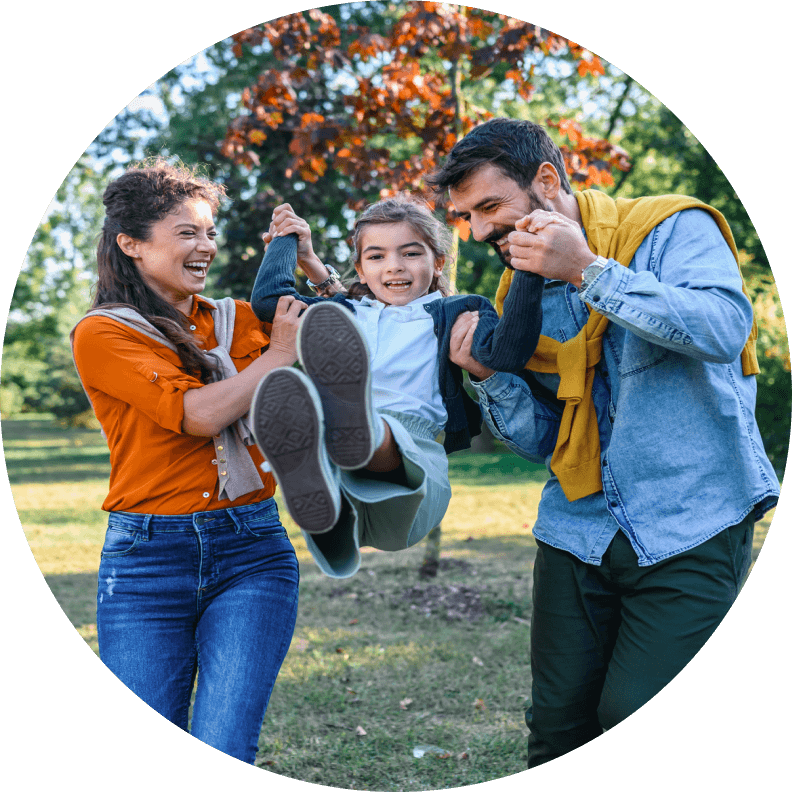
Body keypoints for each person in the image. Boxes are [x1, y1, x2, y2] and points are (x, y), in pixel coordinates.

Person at [426, 117, 781, 767]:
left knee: (632, 707)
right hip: (577, 530)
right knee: (556, 727)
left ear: (547, 180)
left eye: (489, 207)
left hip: (691, 521)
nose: (477, 232)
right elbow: (545, 440)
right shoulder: (518, 293)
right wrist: (490, 378)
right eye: (465, 217)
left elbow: (724, 328)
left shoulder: (670, 228)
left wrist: (588, 271)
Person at [70, 159, 305, 764]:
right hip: (147, 562)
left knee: (226, 741)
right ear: (131, 243)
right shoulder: (102, 334)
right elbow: (197, 413)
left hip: (252, 550)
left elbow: (344, 329)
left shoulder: (236, 320)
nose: (206, 246)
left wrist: (307, 262)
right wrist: (277, 356)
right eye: (187, 233)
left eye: (210, 232)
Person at [247, 195, 544, 578]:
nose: (394, 266)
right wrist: (286, 239)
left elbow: (508, 351)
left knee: (379, 439)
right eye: (377, 257)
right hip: (339, 471)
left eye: (410, 253)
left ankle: (355, 425)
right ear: (360, 269)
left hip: (413, 457)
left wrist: (527, 266)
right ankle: (327, 502)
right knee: (334, 504)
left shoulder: (458, 311)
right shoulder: (344, 313)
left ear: (438, 262)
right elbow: (269, 302)